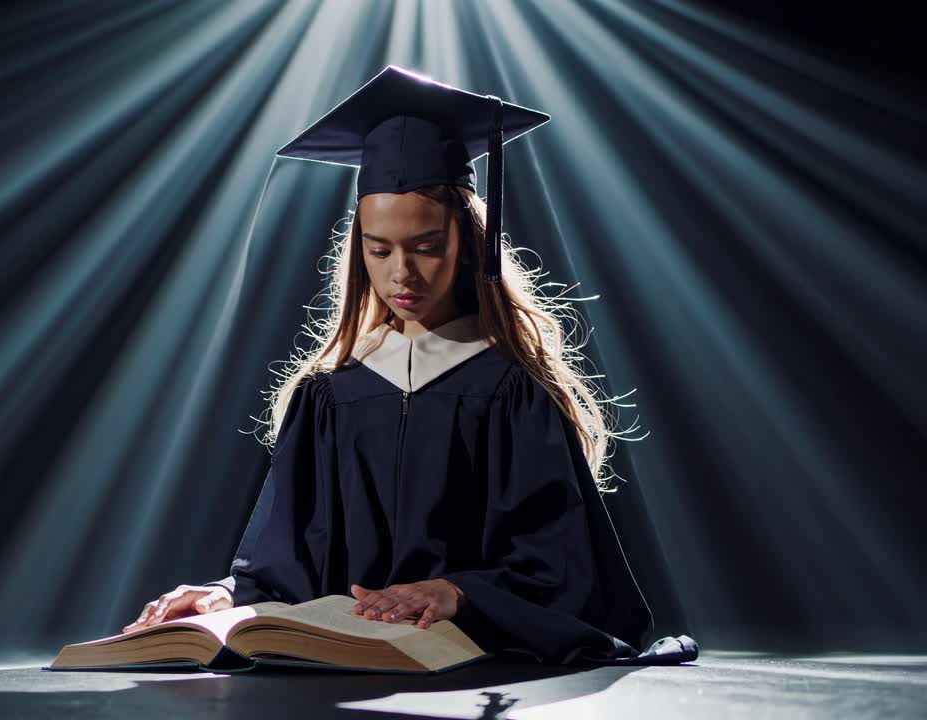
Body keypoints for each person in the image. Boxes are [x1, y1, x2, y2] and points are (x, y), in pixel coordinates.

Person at [123, 66, 696, 665]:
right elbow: (281, 563)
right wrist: (222, 594)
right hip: (338, 676)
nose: (402, 273)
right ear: (358, 251)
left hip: (475, 666)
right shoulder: (329, 397)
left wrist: (457, 592)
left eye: (427, 247)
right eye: (380, 249)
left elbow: (560, 566)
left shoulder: (510, 391)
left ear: (469, 245)